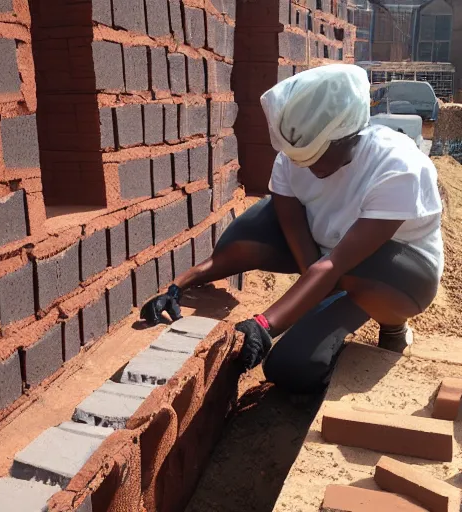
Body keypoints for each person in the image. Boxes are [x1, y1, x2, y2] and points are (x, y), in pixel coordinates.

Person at [141, 64, 443, 394]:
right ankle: (330, 307)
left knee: (290, 366)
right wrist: (179, 285)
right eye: (301, 158)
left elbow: (334, 264)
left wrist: (263, 325)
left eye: (319, 155)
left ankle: (392, 323)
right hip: (332, 254)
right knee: (254, 229)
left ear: (348, 134)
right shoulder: (293, 157)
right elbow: (297, 247)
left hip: (396, 271)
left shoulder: (398, 167)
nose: (309, 167)